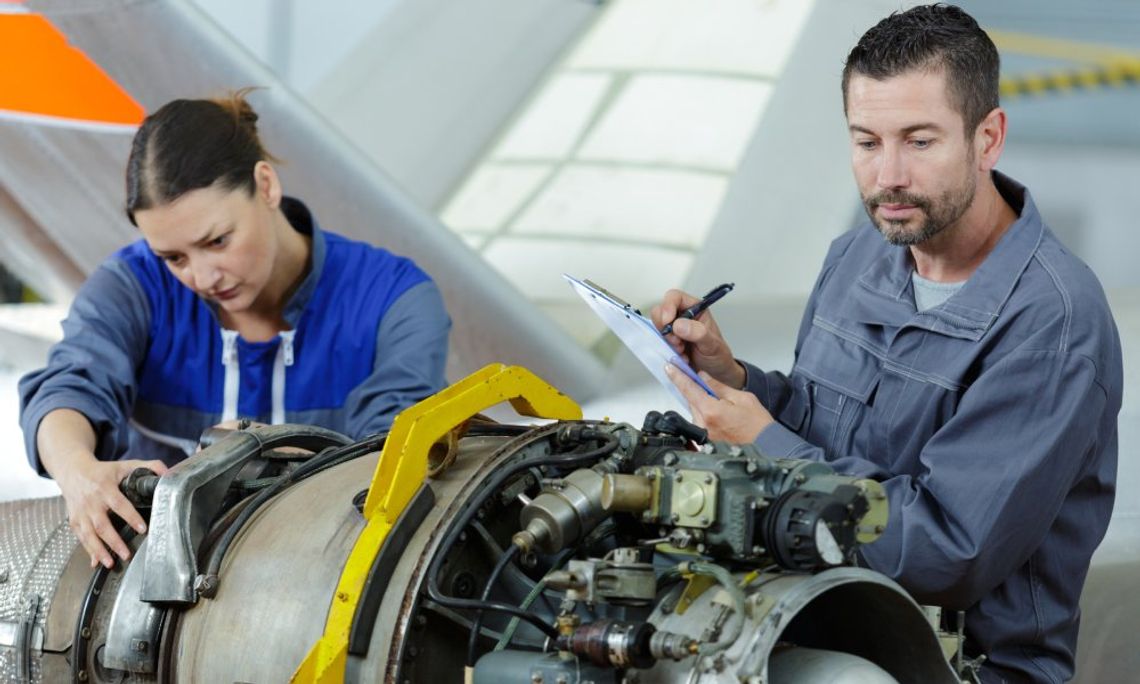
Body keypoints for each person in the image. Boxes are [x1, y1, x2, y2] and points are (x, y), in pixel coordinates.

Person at [651, 5, 1121, 683]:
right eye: (867, 142)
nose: (887, 176)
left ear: (987, 139)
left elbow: (945, 553)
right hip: (812, 613)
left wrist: (762, 442)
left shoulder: (1052, 323)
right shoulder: (857, 256)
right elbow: (819, 424)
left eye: (919, 141)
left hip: (957, 664)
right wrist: (735, 379)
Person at [19, 91, 451, 573]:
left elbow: (396, 454)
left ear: (265, 186)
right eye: (175, 258)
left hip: (331, 579)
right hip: (154, 595)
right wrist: (77, 472)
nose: (203, 279)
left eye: (217, 241)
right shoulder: (132, 286)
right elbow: (69, 387)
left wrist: (277, 451)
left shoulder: (395, 299)